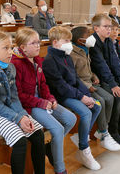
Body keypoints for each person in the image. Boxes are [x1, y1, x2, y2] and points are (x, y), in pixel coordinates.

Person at [0, 31, 45, 174]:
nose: (10, 52)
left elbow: (13, 98)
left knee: (37, 133)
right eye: (5, 48)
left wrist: (23, 116)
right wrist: (18, 119)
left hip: (8, 110)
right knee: (19, 140)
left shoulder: (10, 67)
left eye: (11, 47)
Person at [11, 28, 76, 174]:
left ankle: (50, 147)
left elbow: (43, 85)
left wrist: (50, 98)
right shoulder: (16, 64)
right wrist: (41, 102)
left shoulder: (37, 60)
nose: (38, 45)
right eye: (33, 43)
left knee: (70, 119)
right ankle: (60, 169)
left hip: (41, 101)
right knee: (58, 129)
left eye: (38, 42)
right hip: (28, 106)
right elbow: (18, 95)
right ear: (23, 48)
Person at [43, 26, 102, 171]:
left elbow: (75, 79)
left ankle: (82, 136)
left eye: (70, 40)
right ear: (55, 42)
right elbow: (60, 86)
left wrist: (87, 95)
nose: (70, 43)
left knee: (97, 106)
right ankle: (83, 149)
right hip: (60, 96)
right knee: (86, 112)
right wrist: (81, 97)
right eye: (66, 40)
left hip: (73, 92)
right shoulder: (49, 60)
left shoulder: (66, 56)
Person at [89, 14, 120, 148]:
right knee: (118, 96)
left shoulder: (108, 41)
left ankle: (119, 129)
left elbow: (115, 63)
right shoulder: (93, 42)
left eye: (110, 26)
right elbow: (101, 65)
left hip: (109, 77)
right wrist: (113, 85)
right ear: (96, 28)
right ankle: (112, 130)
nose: (109, 29)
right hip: (98, 79)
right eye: (106, 26)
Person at [70, 26, 120, 152]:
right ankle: (103, 133)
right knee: (101, 102)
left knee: (109, 98)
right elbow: (73, 76)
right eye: (88, 35)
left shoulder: (85, 49)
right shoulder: (72, 54)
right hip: (81, 86)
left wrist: (94, 76)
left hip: (90, 82)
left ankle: (102, 129)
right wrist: (88, 86)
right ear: (79, 40)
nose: (91, 38)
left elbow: (89, 68)